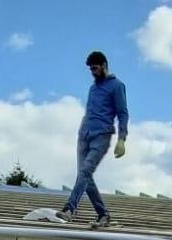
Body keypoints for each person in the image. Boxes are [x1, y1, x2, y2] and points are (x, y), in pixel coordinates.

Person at [54, 51, 128, 229]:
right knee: (84, 177)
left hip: (101, 136)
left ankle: (69, 209)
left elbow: (122, 113)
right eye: (90, 70)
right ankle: (103, 214)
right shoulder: (93, 88)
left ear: (104, 65)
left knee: (84, 173)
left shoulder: (117, 86)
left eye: (95, 68)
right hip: (84, 135)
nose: (93, 72)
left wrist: (122, 139)